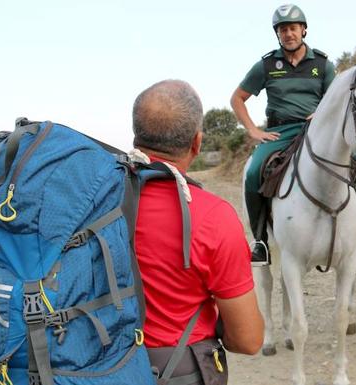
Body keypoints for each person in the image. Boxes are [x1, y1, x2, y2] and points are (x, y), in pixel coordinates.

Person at [132, 80, 264, 383]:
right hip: (175, 370)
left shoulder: (95, 200)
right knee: (258, 170)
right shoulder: (214, 216)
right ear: (197, 142)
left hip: (103, 365)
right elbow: (248, 340)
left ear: (136, 137)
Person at [230, 4, 336, 266]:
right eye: (282, 29)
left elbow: (335, 99)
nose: (288, 34)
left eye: (292, 28)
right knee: (254, 172)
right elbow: (237, 99)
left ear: (304, 30)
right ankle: (260, 242)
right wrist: (254, 131)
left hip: (316, 131)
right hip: (279, 132)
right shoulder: (266, 65)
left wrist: (321, 113)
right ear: (278, 34)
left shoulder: (323, 64)